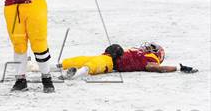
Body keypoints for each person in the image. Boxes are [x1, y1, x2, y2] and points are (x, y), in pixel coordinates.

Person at [53, 43, 197, 80]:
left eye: (151, 48)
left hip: (111, 64)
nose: (146, 47)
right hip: (105, 56)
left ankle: (74, 75)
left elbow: (157, 68)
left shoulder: (150, 60)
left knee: (91, 66)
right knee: (76, 60)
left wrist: (178, 68)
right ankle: (47, 67)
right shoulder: (138, 52)